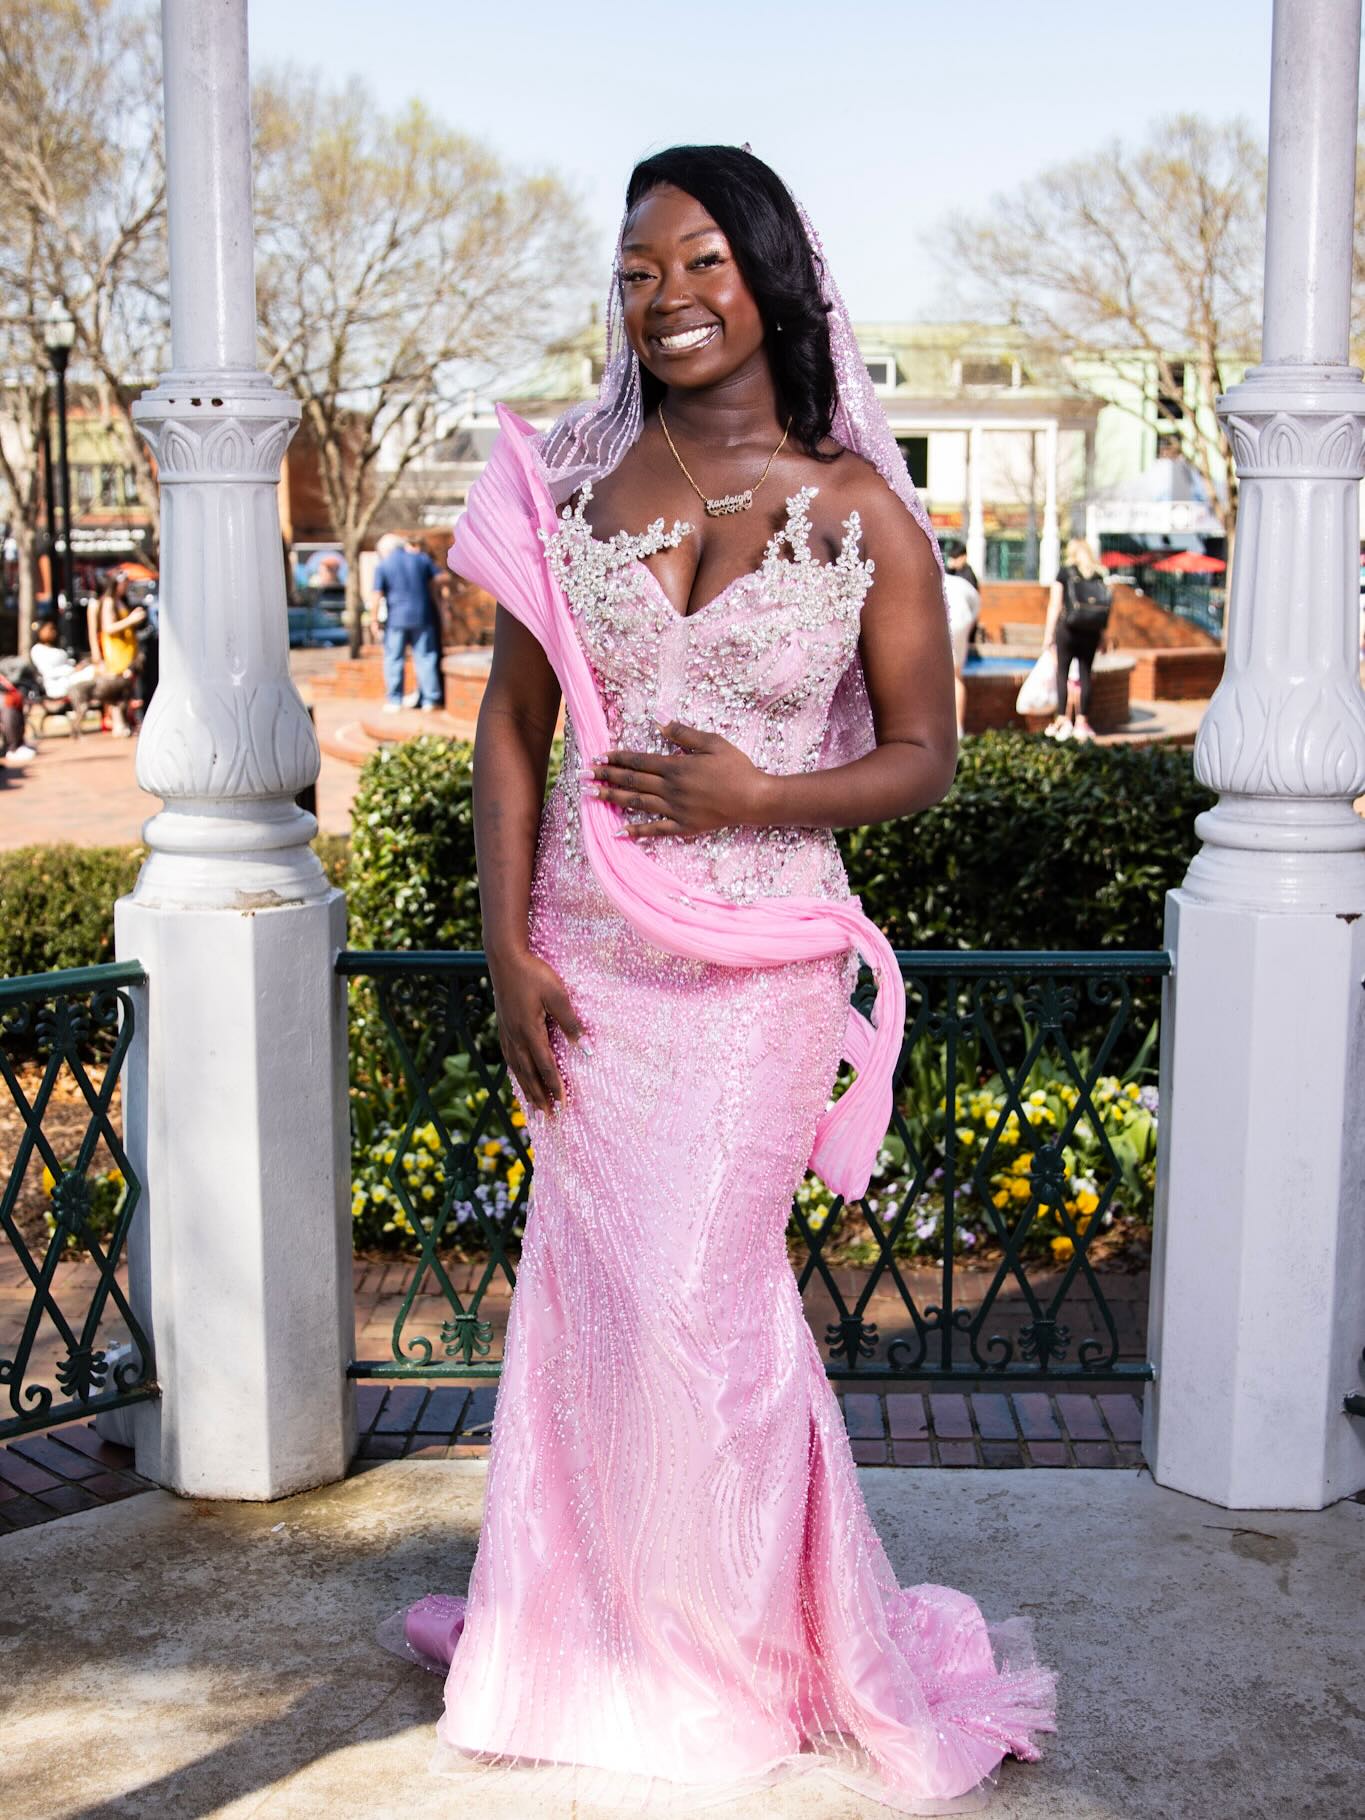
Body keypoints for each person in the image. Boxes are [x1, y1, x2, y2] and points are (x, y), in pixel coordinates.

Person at [387, 146, 1055, 1812]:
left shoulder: (861, 511)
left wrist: (760, 794)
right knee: (597, 1309)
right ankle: (584, 1630)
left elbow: (926, 758)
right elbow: (511, 730)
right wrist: (503, 948)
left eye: (700, 261)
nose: (667, 298)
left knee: (706, 1306)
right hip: (588, 968)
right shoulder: (575, 484)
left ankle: (735, 1656)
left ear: (770, 275)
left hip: (758, 970)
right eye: (637, 271)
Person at [1042, 538, 1112, 742]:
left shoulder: (1065, 572)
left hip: (1068, 629)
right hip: (1091, 631)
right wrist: (1103, 635)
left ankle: (1063, 719)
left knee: (1062, 673)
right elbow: (1105, 608)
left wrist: (1048, 634)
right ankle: (1082, 722)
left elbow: (1055, 604)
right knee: (1085, 674)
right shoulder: (1098, 574)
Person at [369, 532, 442, 712]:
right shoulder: (421, 559)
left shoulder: (384, 565)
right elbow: (440, 578)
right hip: (423, 616)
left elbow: (376, 595)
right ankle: (430, 699)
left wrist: (374, 619)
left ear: (384, 550)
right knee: (425, 657)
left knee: (394, 659)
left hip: (396, 619)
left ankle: (395, 700)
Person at [89, 572, 146, 737]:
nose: (126, 587)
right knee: (118, 687)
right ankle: (118, 723)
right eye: (124, 583)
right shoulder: (108, 602)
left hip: (126, 648)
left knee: (126, 688)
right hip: (116, 650)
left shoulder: (119, 600)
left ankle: (126, 721)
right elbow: (108, 628)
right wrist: (131, 620)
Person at [942, 562, 982, 737]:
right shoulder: (962, 584)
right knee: (956, 676)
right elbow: (976, 607)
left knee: (952, 676)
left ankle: (955, 727)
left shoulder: (938, 580)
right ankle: (957, 728)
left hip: (951, 622)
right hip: (961, 622)